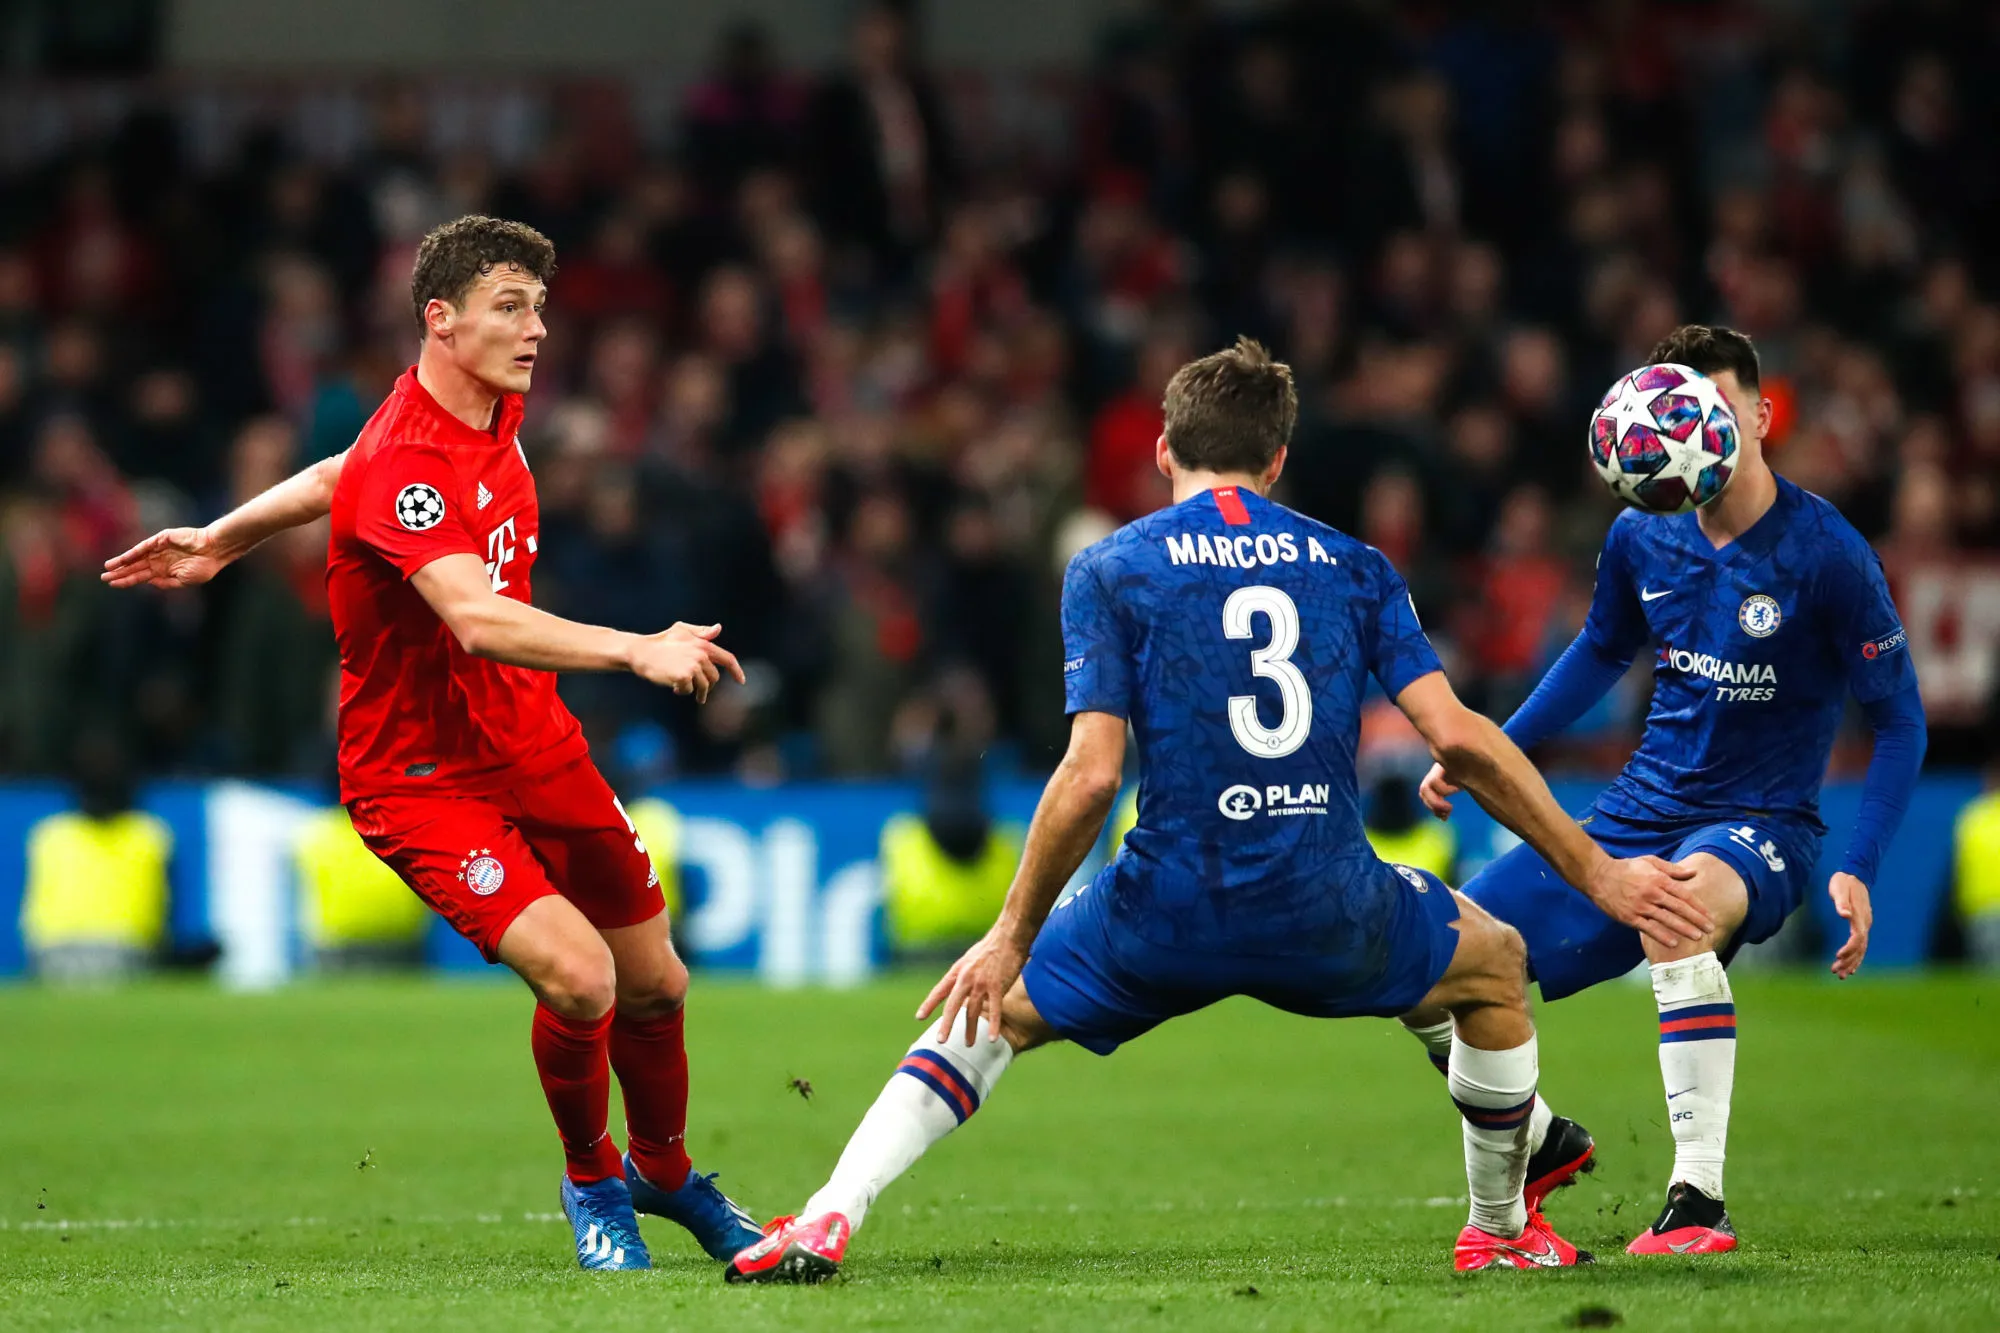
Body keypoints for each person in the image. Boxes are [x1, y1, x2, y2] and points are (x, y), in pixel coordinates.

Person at [725, 338, 1707, 1283]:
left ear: (1162, 449)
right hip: (1327, 901)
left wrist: (1008, 934)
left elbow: (1089, 775)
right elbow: (1457, 737)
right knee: (1487, 965)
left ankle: (829, 1210)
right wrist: (1597, 870)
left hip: (1166, 907)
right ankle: (1496, 1227)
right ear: (1278, 457)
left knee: (988, 1011)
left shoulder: (1111, 567)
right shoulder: (1354, 565)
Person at [102, 216, 766, 1272]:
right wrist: (635, 649)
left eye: (541, 306)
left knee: (658, 983)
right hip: (419, 776)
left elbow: (338, 472)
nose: (536, 329)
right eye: (511, 305)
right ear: (439, 318)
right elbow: (477, 616)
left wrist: (222, 537)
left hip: (528, 736)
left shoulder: (481, 407)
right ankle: (594, 1178)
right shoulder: (413, 458)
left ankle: (667, 1172)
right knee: (581, 978)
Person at [1407, 325, 1927, 1255]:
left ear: (1762, 416)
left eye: (1719, 414)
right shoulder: (1643, 533)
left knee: (1678, 912)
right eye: (1684, 419)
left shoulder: (1827, 552)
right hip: (1634, 811)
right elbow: (1601, 651)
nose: (1699, 439)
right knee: (1420, 963)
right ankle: (1538, 1137)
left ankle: (1698, 1199)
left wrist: (1860, 863)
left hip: (1760, 824)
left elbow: (1900, 719)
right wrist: (1488, 746)